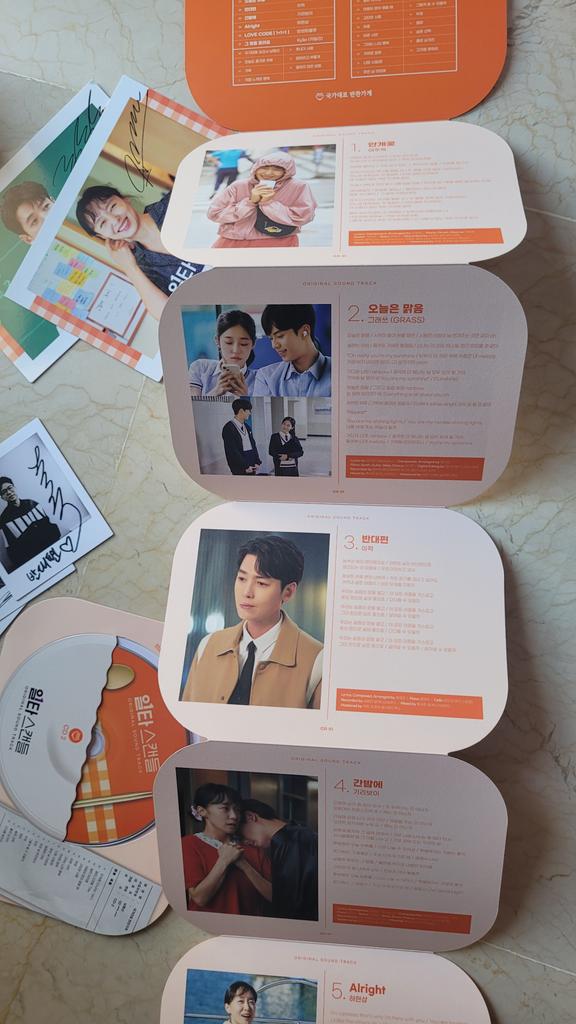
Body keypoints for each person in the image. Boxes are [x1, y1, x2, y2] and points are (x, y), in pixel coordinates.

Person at [182, 534, 323, 708]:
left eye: (261, 583)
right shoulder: (208, 646)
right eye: (242, 579)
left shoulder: (317, 660)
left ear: (288, 592)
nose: (247, 592)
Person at [75, 185, 204, 320]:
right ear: (102, 236)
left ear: (125, 200)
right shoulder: (142, 266)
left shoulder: (173, 204)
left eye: (113, 206)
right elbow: (169, 317)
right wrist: (129, 268)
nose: (115, 220)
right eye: (102, 223)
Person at [181, 783, 271, 915]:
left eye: (237, 809)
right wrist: (224, 861)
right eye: (225, 808)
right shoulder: (189, 844)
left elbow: (274, 896)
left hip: (249, 926)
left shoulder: (252, 846)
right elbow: (200, 899)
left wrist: (245, 866)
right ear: (202, 811)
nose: (234, 816)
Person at [207, 152, 317, 249]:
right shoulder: (239, 186)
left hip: (280, 241)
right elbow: (214, 213)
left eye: (277, 169)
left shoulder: (298, 187)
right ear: (256, 168)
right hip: (233, 240)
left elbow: (303, 216)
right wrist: (250, 202)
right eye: (264, 167)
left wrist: (268, 203)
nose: (269, 173)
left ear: (287, 171)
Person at [240, 799, 319, 922]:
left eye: (240, 833)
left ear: (250, 817)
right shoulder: (295, 834)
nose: (245, 842)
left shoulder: (292, 842)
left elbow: (290, 905)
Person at [253, 305, 331, 398]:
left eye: (280, 336)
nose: (274, 345)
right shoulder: (266, 378)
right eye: (271, 338)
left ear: (305, 331)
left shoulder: (339, 372)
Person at [189, 310, 258, 397]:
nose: (236, 350)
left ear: (253, 344)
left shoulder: (260, 379)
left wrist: (245, 399)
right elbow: (190, 404)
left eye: (243, 344)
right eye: (229, 342)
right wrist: (216, 392)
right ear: (217, 341)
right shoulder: (200, 368)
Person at [0, 476, 61, 570]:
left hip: (51, 548)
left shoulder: (32, 503)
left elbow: (52, 528)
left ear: (14, 487)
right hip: (33, 560)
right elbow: (12, 551)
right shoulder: (4, 520)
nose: (8, 492)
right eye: (4, 492)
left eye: (10, 488)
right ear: (2, 497)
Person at [221, 398, 262, 476]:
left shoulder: (247, 427)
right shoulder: (228, 428)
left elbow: (253, 445)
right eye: (248, 410)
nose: (250, 413)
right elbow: (232, 451)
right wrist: (245, 466)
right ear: (241, 411)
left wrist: (257, 461)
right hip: (240, 467)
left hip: (251, 464)